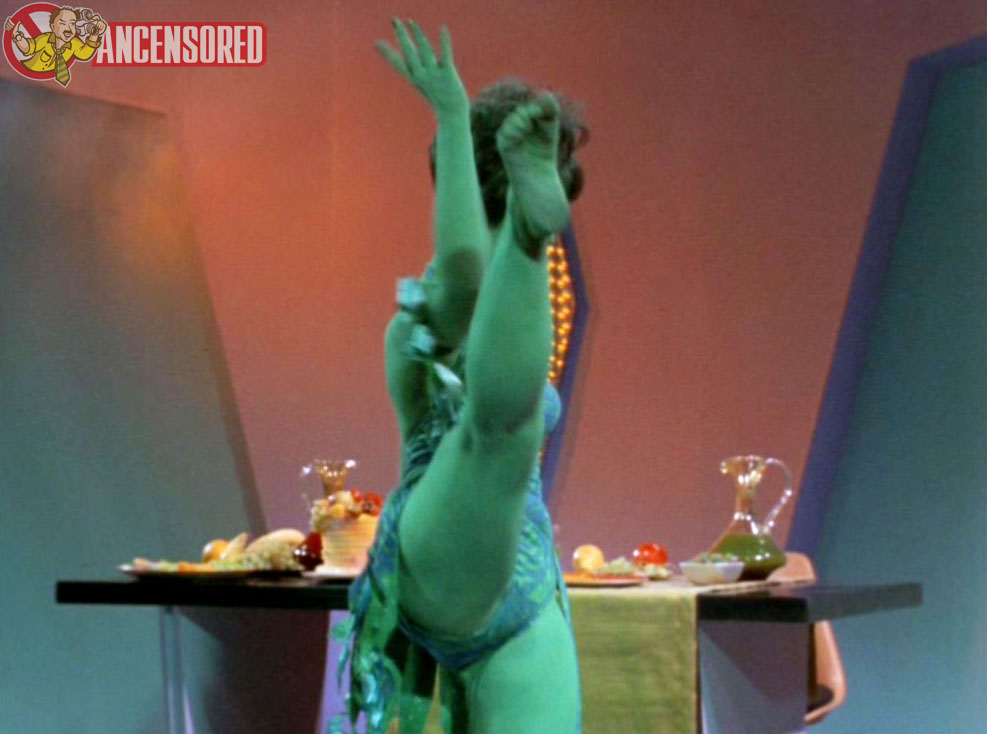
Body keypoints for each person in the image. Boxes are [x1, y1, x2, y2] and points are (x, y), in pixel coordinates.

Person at [332, 19, 587, 734]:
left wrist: (452, 121)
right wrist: (450, 115)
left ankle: (526, 238)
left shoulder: (508, 317)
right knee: (499, 427)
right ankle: (527, 239)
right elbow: (465, 273)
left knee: (506, 428)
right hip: (443, 548)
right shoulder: (434, 306)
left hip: (523, 578)